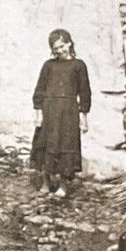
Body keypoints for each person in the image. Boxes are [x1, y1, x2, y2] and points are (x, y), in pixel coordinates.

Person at [30, 28, 91, 198]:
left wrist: (83, 117)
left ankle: (62, 185)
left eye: (61, 46)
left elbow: (85, 92)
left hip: (68, 112)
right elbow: (39, 90)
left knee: (66, 146)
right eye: (55, 48)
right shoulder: (48, 65)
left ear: (69, 43)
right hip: (49, 110)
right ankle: (45, 181)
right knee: (45, 144)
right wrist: (38, 114)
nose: (59, 50)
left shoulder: (79, 65)